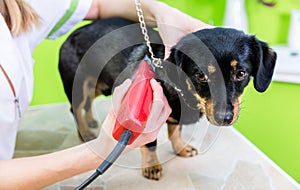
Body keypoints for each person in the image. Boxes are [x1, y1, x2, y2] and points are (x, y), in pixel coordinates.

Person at [0, 0, 211, 189]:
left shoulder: (20, 4)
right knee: (84, 103)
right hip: (81, 54)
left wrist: (162, 12)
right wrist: (97, 151)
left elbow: (97, 4)